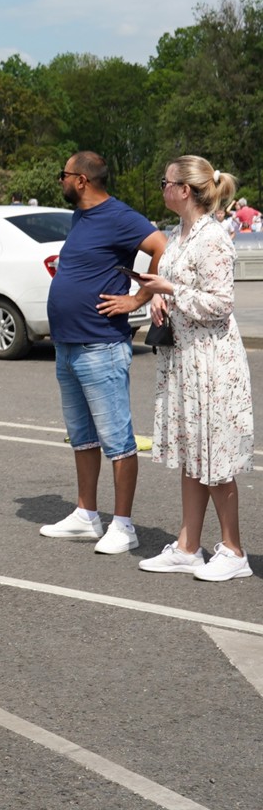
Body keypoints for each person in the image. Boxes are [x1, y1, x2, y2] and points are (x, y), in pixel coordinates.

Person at [40, 151, 168, 555]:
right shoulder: (81, 216)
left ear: (81, 180)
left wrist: (139, 299)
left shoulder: (119, 215)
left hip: (101, 343)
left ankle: (124, 524)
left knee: (117, 438)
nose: (59, 180)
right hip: (69, 343)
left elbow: (161, 246)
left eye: (63, 174)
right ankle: (85, 515)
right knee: (82, 436)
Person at [133, 158, 254, 581]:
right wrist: (159, 299)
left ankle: (234, 550)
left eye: (165, 181)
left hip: (212, 361)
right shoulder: (178, 234)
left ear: (184, 189)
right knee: (192, 452)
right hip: (185, 358)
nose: (161, 187)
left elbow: (221, 304)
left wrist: (171, 290)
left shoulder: (213, 238)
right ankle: (188, 547)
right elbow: (181, 290)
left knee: (215, 455)